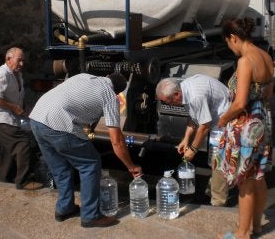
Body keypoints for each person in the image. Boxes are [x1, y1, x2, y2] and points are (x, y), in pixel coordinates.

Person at [29, 72, 142, 228]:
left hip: (36, 118)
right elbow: (117, 141)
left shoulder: (84, 76)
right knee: (90, 164)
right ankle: (90, 216)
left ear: (107, 76)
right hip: (58, 123)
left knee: (61, 168)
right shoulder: (110, 96)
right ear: (118, 92)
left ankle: (64, 208)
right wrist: (131, 166)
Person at [214, 18, 273, 239]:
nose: (230, 48)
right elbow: (268, 93)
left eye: (228, 43)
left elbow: (239, 104)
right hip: (263, 121)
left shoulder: (245, 61)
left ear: (234, 38)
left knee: (245, 181)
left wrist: (223, 119)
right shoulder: (266, 56)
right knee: (258, 175)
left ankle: (242, 234)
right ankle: (256, 226)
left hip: (246, 126)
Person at [156, 74, 230, 206]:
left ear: (177, 94)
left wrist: (193, 149)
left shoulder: (195, 96)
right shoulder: (185, 87)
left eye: (170, 102)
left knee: (218, 161)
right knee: (214, 160)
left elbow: (204, 126)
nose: (171, 105)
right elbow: (193, 116)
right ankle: (213, 191)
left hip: (225, 120)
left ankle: (218, 203)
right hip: (217, 119)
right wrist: (186, 139)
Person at [0, 47, 43, 190]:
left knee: (7, 149)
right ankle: (23, 181)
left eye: (23, 60)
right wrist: (13, 107)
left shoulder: (17, 74)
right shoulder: (1, 74)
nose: (22, 64)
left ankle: (2, 181)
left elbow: (17, 97)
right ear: (8, 59)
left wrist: (24, 108)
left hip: (10, 118)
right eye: (19, 60)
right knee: (22, 144)